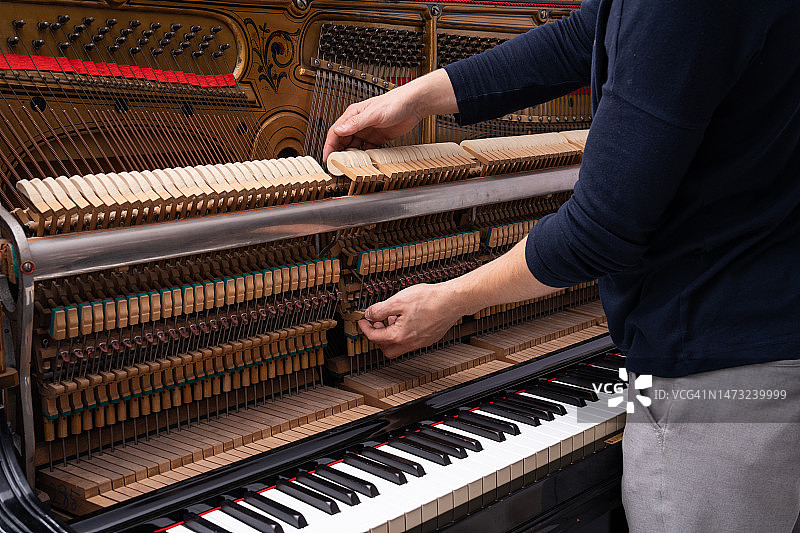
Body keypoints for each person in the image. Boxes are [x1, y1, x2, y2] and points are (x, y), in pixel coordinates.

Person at [322, 0, 800, 531]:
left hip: (722, 368)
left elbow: (601, 230)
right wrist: (417, 96)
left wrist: (453, 299)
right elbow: (582, 36)